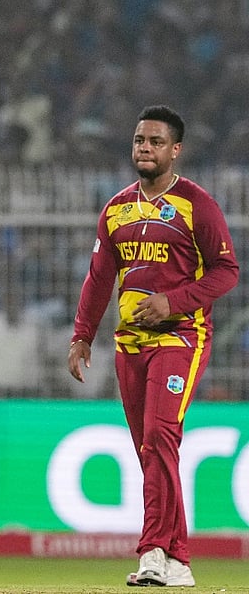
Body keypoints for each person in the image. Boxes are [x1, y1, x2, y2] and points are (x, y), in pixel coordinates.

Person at [68, 105, 238, 588]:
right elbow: (100, 277)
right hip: (129, 344)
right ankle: (179, 561)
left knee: (161, 436)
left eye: (156, 141)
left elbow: (227, 271)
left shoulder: (195, 204)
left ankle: (153, 551)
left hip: (181, 337)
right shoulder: (117, 207)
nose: (145, 148)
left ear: (175, 150)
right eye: (140, 140)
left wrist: (174, 302)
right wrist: (82, 334)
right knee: (150, 448)